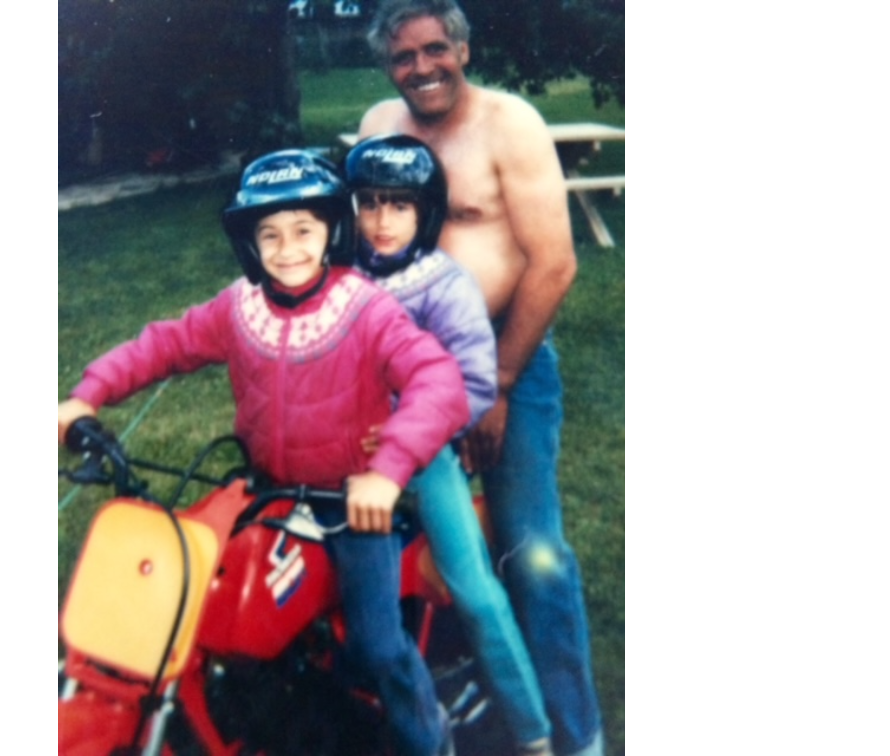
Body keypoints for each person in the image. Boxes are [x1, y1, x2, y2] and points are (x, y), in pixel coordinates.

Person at [56, 149, 468, 756]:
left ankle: (429, 741)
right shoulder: (238, 306)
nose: (287, 248)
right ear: (249, 243)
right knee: (195, 598)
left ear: (334, 229)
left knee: (379, 646)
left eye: (304, 229)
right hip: (265, 492)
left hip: (350, 503)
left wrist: (386, 472)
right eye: (268, 234)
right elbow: (164, 345)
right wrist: (86, 395)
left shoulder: (366, 308)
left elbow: (439, 379)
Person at [358, 2, 604, 755]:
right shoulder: (377, 126)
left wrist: (495, 384)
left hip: (506, 359)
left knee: (532, 550)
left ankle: (577, 733)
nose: (423, 68)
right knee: (393, 532)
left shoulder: (510, 124)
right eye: (405, 57)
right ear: (386, 65)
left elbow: (554, 262)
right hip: (400, 366)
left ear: (462, 48)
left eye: (437, 49)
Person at [345, 133, 553, 756]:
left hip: (423, 453)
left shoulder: (444, 285)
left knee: (475, 590)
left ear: (425, 209)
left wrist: (414, 427)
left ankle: (532, 732)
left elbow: (473, 381)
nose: (382, 221)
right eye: (370, 204)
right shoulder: (344, 280)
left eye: (399, 205)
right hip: (344, 455)